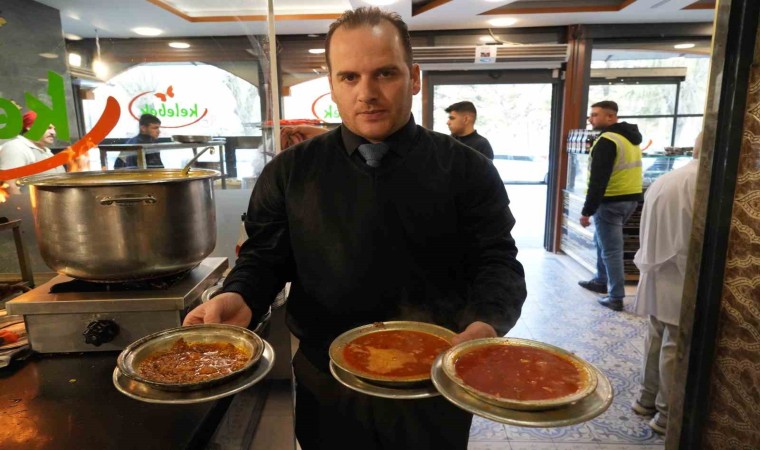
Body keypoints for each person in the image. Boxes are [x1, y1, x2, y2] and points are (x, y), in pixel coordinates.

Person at [183, 7, 526, 450]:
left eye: (385, 73)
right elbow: (265, 256)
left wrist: (487, 323)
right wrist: (241, 294)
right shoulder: (290, 171)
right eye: (349, 77)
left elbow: (496, 260)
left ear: (414, 77)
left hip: (433, 380)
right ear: (331, 84)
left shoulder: (468, 169)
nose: (367, 93)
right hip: (326, 380)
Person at [630, 133, 701, 435]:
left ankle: (646, 399)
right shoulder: (703, 182)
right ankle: (666, 412)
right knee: (674, 343)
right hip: (682, 273)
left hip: (657, 269)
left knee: (656, 336)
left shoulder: (667, 179)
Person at [577, 100, 643, 311]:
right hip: (630, 199)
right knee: (602, 240)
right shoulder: (629, 139)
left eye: (595, 115)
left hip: (611, 202)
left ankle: (615, 297)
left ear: (611, 117)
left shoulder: (607, 141)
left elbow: (598, 181)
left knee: (611, 250)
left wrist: (587, 211)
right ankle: (601, 280)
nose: (591, 119)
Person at [0, 111, 64, 194]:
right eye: (48, 127)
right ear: (29, 127)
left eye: (54, 129)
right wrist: (23, 203)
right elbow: (9, 184)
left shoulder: (46, 151)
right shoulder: (16, 147)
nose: (53, 132)